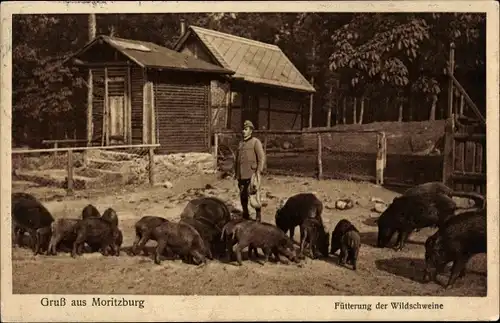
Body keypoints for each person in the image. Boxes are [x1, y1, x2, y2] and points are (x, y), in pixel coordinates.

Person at [234, 120, 266, 222]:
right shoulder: (240, 143)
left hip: (251, 174)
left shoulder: (255, 142)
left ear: (251, 131)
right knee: (243, 195)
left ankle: (258, 215)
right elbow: (237, 159)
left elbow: (261, 157)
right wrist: (236, 173)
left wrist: (258, 171)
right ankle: (245, 213)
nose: (243, 131)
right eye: (243, 129)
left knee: (254, 195)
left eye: (246, 129)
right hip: (241, 174)